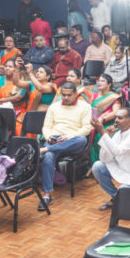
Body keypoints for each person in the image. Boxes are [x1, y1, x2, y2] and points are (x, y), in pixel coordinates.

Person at [37, 81, 92, 211]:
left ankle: (46, 149)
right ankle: (47, 195)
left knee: (81, 140)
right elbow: (46, 127)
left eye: (69, 95)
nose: (66, 98)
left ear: (76, 94)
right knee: (48, 157)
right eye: (64, 95)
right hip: (54, 139)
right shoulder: (54, 107)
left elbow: (87, 128)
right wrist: (49, 137)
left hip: (72, 141)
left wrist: (67, 137)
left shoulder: (85, 107)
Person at [90, 107, 130, 210]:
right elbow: (104, 159)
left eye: (120, 118)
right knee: (97, 166)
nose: (116, 120)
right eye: (116, 117)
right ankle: (116, 197)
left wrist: (102, 132)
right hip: (124, 172)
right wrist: (107, 136)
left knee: (123, 192)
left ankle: (121, 198)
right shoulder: (117, 135)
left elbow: (117, 151)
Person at [82, 74, 121, 164]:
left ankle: (106, 163)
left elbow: (115, 112)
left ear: (109, 84)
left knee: (100, 136)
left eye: (102, 81)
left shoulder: (114, 97)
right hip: (93, 123)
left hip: (108, 123)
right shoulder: (94, 96)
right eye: (98, 81)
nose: (99, 83)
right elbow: (88, 110)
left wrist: (103, 120)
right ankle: (92, 163)